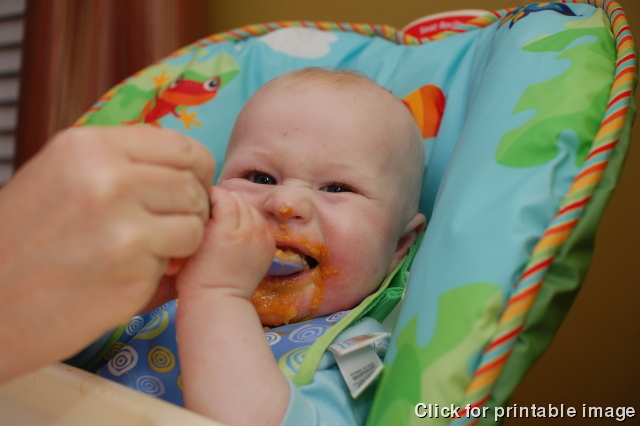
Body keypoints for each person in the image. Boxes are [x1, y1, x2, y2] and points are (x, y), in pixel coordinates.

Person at [85, 68, 426, 425]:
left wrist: (218, 296)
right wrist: (124, 292)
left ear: (399, 246)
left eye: (337, 188)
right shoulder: (163, 294)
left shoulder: (355, 352)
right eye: (260, 178)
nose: (285, 203)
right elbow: (48, 346)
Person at [0, 126, 214, 383]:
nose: (261, 203)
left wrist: (224, 295)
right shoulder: (152, 281)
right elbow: (58, 365)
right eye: (255, 177)